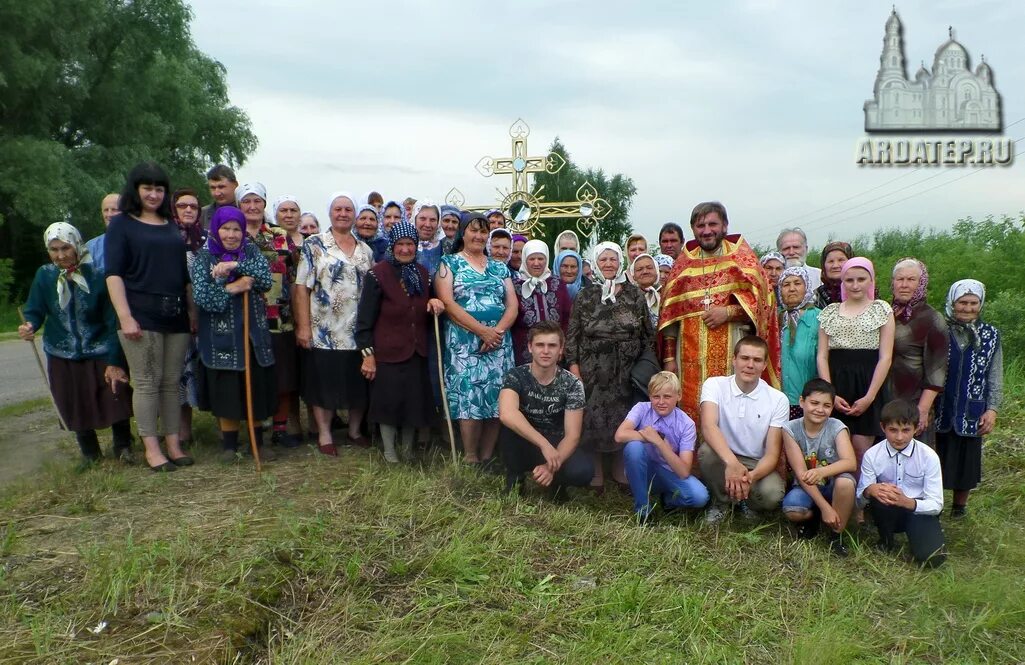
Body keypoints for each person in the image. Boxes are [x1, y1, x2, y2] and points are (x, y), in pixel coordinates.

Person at [20, 222, 134, 468]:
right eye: (54, 249)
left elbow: (111, 320)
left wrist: (115, 359)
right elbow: (35, 309)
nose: (60, 255)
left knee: (115, 393)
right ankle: (90, 453)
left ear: (77, 245)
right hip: (62, 351)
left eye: (65, 248)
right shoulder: (45, 275)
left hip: (100, 347)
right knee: (72, 399)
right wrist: (30, 324)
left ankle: (123, 446)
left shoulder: (97, 275)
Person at [105, 162, 193, 472]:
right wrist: (125, 316)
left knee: (171, 383)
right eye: (147, 188)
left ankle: (173, 444)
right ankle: (151, 448)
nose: (154, 194)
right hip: (141, 314)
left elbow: (183, 274)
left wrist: (191, 311)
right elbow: (113, 274)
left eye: (159, 188)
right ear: (136, 190)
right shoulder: (121, 225)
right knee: (146, 383)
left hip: (176, 314)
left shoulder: (171, 225)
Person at [659, 201, 780, 425]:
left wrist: (729, 311)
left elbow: (764, 306)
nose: (706, 230)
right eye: (700, 225)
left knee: (730, 410)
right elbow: (670, 316)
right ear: (693, 229)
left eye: (712, 224)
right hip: (688, 356)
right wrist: (668, 359)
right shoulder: (683, 263)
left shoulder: (743, 259)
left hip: (732, 351)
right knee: (689, 411)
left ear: (725, 225)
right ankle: (690, 459)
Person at [191, 206, 278, 463]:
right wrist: (235, 286)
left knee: (255, 387)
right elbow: (204, 298)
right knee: (227, 388)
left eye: (236, 229)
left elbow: (264, 278)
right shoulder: (204, 258)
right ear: (216, 229)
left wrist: (234, 264)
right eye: (226, 228)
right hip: (220, 338)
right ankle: (229, 445)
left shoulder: (250, 251)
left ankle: (256, 442)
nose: (231, 234)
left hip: (253, 335)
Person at [566, 242, 654, 491]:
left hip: (627, 368)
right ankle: (595, 469)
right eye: (603, 260)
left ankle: (618, 466)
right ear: (595, 263)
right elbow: (573, 333)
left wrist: (646, 365)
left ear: (620, 263)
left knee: (625, 415)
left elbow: (648, 333)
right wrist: (574, 365)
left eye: (612, 259)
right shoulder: (586, 295)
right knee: (593, 417)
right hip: (593, 368)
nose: (608, 264)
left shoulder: (634, 294)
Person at [356, 220, 445, 463]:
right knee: (389, 404)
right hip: (388, 352)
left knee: (413, 403)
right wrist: (368, 355)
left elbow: (429, 303)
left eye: (410, 244)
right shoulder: (377, 274)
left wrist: (434, 303)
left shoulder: (423, 274)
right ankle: (390, 452)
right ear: (392, 245)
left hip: (416, 352)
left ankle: (407, 450)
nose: (405, 249)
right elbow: (364, 321)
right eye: (400, 244)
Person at [294, 191, 374, 455]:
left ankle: (354, 431)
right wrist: (304, 327)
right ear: (330, 213)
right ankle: (325, 434)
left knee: (357, 384)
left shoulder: (366, 250)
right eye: (338, 209)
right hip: (324, 329)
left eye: (348, 210)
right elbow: (301, 288)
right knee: (323, 384)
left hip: (356, 331)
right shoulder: (314, 245)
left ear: (354, 215)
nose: (343, 214)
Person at [436, 212, 517, 466]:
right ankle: (470, 456)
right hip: (464, 343)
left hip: (499, 343)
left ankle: (487, 455)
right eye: (474, 230)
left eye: (484, 232)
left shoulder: (499, 267)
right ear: (463, 233)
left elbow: (512, 305)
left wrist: (496, 333)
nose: (479, 236)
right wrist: (482, 331)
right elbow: (448, 302)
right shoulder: (449, 263)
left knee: (496, 398)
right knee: (469, 397)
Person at [698, 336, 789, 523]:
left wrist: (751, 477)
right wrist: (732, 464)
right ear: (734, 360)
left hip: (755, 462)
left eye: (757, 360)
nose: (750, 365)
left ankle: (745, 501)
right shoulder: (714, 385)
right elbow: (708, 426)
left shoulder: (778, 399)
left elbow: (772, 454)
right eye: (744, 358)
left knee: (773, 494)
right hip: (723, 456)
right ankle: (721, 501)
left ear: (764, 365)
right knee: (706, 452)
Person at [499, 320, 593, 498]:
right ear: (530, 347)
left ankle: (557, 482)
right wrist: (544, 445)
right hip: (526, 440)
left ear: (561, 349)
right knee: (510, 430)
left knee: (583, 471)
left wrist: (550, 466)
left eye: (552, 345)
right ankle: (516, 477)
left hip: (557, 443)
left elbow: (573, 435)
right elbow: (507, 414)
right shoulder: (516, 375)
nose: (545, 351)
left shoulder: (572, 383)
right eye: (540, 345)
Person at [935, 279, 1003, 517]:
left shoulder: (991, 335)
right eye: (962, 302)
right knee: (938, 454)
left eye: (973, 303)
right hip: (941, 405)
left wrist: (992, 409)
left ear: (981, 304)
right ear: (952, 303)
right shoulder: (940, 329)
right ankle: (935, 502)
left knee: (967, 457)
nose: (967, 308)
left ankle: (959, 506)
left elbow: (994, 375)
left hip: (972, 407)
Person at [817, 257, 895, 462]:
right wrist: (830, 393)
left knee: (861, 450)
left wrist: (870, 396)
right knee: (835, 449)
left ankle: (860, 493)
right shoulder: (830, 312)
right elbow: (822, 356)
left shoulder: (882, 310)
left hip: (868, 384)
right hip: (837, 384)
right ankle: (837, 493)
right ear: (843, 282)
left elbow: (885, 357)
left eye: (861, 279)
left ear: (871, 280)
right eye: (849, 280)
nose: (855, 285)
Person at [856, 399, 946, 568]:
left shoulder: (928, 456)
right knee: (879, 494)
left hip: (917, 510)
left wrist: (907, 502)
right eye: (893, 430)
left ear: (916, 428)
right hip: (887, 509)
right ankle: (886, 540)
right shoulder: (872, 455)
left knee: (933, 559)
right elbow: (859, 500)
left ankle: (920, 537)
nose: (899, 437)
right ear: (882, 428)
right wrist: (869, 490)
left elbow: (937, 504)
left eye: (906, 430)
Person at [617, 371, 709, 523]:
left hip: (668, 471)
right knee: (633, 447)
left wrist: (660, 442)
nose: (661, 402)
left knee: (700, 497)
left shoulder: (686, 424)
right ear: (650, 396)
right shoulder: (641, 408)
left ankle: (668, 500)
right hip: (642, 471)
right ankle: (643, 510)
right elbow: (620, 435)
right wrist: (650, 437)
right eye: (655, 396)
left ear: (678, 396)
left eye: (667, 396)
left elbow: (684, 471)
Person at [781, 379, 857, 557]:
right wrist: (825, 508)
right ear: (802, 402)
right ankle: (814, 517)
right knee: (792, 511)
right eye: (814, 403)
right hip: (806, 487)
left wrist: (821, 472)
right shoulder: (790, 428)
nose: (819, 409)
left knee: (845, 483)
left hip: (833, 486)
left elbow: (850, 462)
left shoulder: (836, 426)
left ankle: (836, 536)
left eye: (826, 405)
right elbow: (801, 474)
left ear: (832, 408)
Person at [890, 258, 949, 441]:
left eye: (911, 279)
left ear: (922, 282)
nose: (904, 285)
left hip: (913, 404)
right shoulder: (886, 313)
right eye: (900, 279)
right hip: (885, 403)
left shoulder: (932, 318)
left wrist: (922, 410)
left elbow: (937, 370)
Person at [264, 194, 306, 448]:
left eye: (293, 210)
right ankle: (269, 423)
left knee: (290, 373)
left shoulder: (306, 243)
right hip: (266, 312)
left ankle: (291, 422)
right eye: (284, 210)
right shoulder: (270, 238)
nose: (289, 214)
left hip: (292, 312)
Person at [170, 188, 205, 446]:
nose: (189, 210)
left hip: (206, 315)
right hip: (173, 313)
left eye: (193, 206)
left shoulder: (208, 239)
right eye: (183, 206)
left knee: (200, 369)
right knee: (178, 371)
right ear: (174, 209)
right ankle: (182, 429)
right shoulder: (165, 237)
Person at [510, 240, 572, 365]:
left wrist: (563, 346)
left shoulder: (558, 284)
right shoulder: (515, 286)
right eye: (531, 259)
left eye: (540, 258)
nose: (536, 263)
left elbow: (567, 319)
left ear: (547, 259)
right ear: (525, 260)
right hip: (524, 355)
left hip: (555, 354)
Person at [778, 266, 820, 419]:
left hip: (808, 400)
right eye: (786, 284)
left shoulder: (819, 318)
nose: (792, 289)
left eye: (797, 283)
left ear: (807, 286)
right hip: (777, 400)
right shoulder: (775, 318)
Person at [84, 193, 121, 273]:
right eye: (106, 210)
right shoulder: (91, 247)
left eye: (114, 210)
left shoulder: (139, 243)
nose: (109, 214)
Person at [813, 241, 853, 309]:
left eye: (841, 260)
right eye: (831, 261)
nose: (835, 266)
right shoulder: (818, 297)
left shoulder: (862, 291)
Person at [627, 253, 661, 330]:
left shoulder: (666, 294)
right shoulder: (627, 298)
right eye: (639, 269)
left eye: (649, 268)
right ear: (633, 276)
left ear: (657, 271)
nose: (645, 271)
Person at [200, 164, 238, 231]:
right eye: (213, 188)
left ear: (235, 185)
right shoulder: (201, 215)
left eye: (221, 187)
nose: (217, 193)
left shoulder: (249, 212)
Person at [413, 200, 444, 279]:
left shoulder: (445, 247)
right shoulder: (404, 245)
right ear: (414, 220)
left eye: (433, 220)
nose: (427, 224)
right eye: (422, 219)